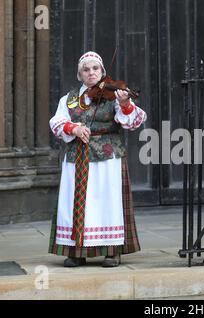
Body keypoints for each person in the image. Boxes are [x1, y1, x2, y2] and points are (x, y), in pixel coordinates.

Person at [48, 51, 146, 267]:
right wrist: (72, 128)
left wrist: (126, 103)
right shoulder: (69, 98)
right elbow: (56, 121)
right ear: (79, 75)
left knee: (106, 202)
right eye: (86, 69)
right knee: (76, 202)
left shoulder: (115, 95)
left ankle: (112, 251)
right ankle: (76, 251)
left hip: (107, 158)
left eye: (95, 68)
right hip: (77, 157)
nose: (91, 72)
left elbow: (133, 121)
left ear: (102, 71)